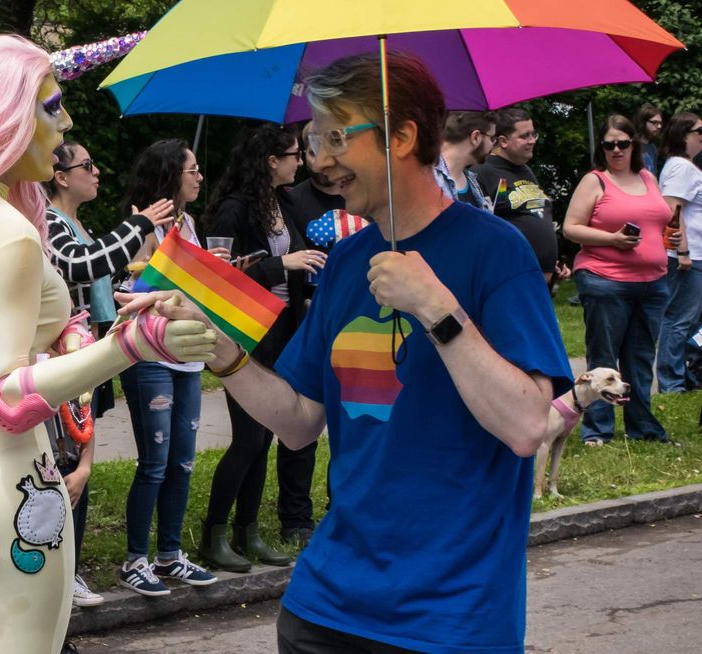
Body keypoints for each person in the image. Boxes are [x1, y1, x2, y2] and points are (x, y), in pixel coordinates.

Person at [119, 52, 572, 653]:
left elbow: (524, 427)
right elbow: (300, 422)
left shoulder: (496, 253)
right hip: (324, 611)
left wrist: (438, 309)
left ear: (404, 136)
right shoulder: (349, 265)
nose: (321, 160)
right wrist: (221, 349)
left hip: (450, 620)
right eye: (314, 139)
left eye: (337, 136)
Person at [0, 35, 217, 654]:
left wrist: (72, 332)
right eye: (51, 107)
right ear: (1, 119)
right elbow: (4, 397)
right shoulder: (6, 235)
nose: (68, 122)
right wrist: (130, 346)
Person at [45, 139, 174, 611]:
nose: (96, 172)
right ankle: (58, 572)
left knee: (81, 462)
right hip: (61, 360)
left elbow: (102, 276)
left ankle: (70, 569)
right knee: (64, 465)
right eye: (87, 165)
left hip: (89, 356)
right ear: (60, 177)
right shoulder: (49, 224)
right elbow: (81, 267)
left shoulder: (79, 223)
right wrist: (139, 223)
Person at [200, 123, 327, 568]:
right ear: (272, 161)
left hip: (283, 332)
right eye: (294, 154)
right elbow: (220, 280)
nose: (300, 161)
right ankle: (213, 534)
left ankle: (247, 531)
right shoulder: (235, 210)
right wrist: (281, 263)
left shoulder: (283, 203)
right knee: (248, 439)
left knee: (266, 436)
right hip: (246, 332)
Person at [116, 139, 218, 596]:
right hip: (152, 355)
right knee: (154, 463)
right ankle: (135, 559)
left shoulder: (190, 222)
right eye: (192, 170)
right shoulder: (141, 224)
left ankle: (170, 555)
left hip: (189, 356)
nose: (199, 177)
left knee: (182, 461)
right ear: (170, 176)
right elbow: (125, 287)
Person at [563, 114, 671, 445]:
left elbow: (659, 222)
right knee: (604, 358)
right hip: (605, 279)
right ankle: (598, 431)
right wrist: (611, 239)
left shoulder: (648, 178)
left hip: (652, 282)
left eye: (622, 143)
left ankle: (643, 427)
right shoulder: (595, 180)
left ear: (634, 145)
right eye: (609, 145)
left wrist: (670, 240)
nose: (616, 150)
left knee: (640, 359)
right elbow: (570, 228)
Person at [472, 107, 561, 283]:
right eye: (524, 136)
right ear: (503, 141)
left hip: (540, 280)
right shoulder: (483, 172)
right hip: (509, 278)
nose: (532, 141)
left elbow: (535, 213)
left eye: (533, 135)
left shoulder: (526, 171)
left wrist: (551, 261)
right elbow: (478, 229)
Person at [656, 112, 702, 393]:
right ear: (683, 134)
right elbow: (672, 208)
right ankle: (671, 382)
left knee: (692, 320)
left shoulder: (687, 166)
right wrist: (682, 250)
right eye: (699, 129)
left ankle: (687, 375)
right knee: (679, 319)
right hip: (689, 256)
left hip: (695, 254)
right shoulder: (681, 168)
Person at [278, 120, 347, 251]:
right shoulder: (291, 202)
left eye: (329, 152)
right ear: (303, 153)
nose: (321, 163)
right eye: (313, 153)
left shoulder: (364, 196)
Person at [438, 110, 496, 210]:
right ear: (476, 137)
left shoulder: (471, 180)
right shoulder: (429, 179)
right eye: (492, 138)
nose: (493, 144)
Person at [635, 104, 664, 175]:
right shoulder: (632, 146)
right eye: (654, 122)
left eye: (660, 123)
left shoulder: (653, 147)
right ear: (643, 122)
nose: (659, 126)